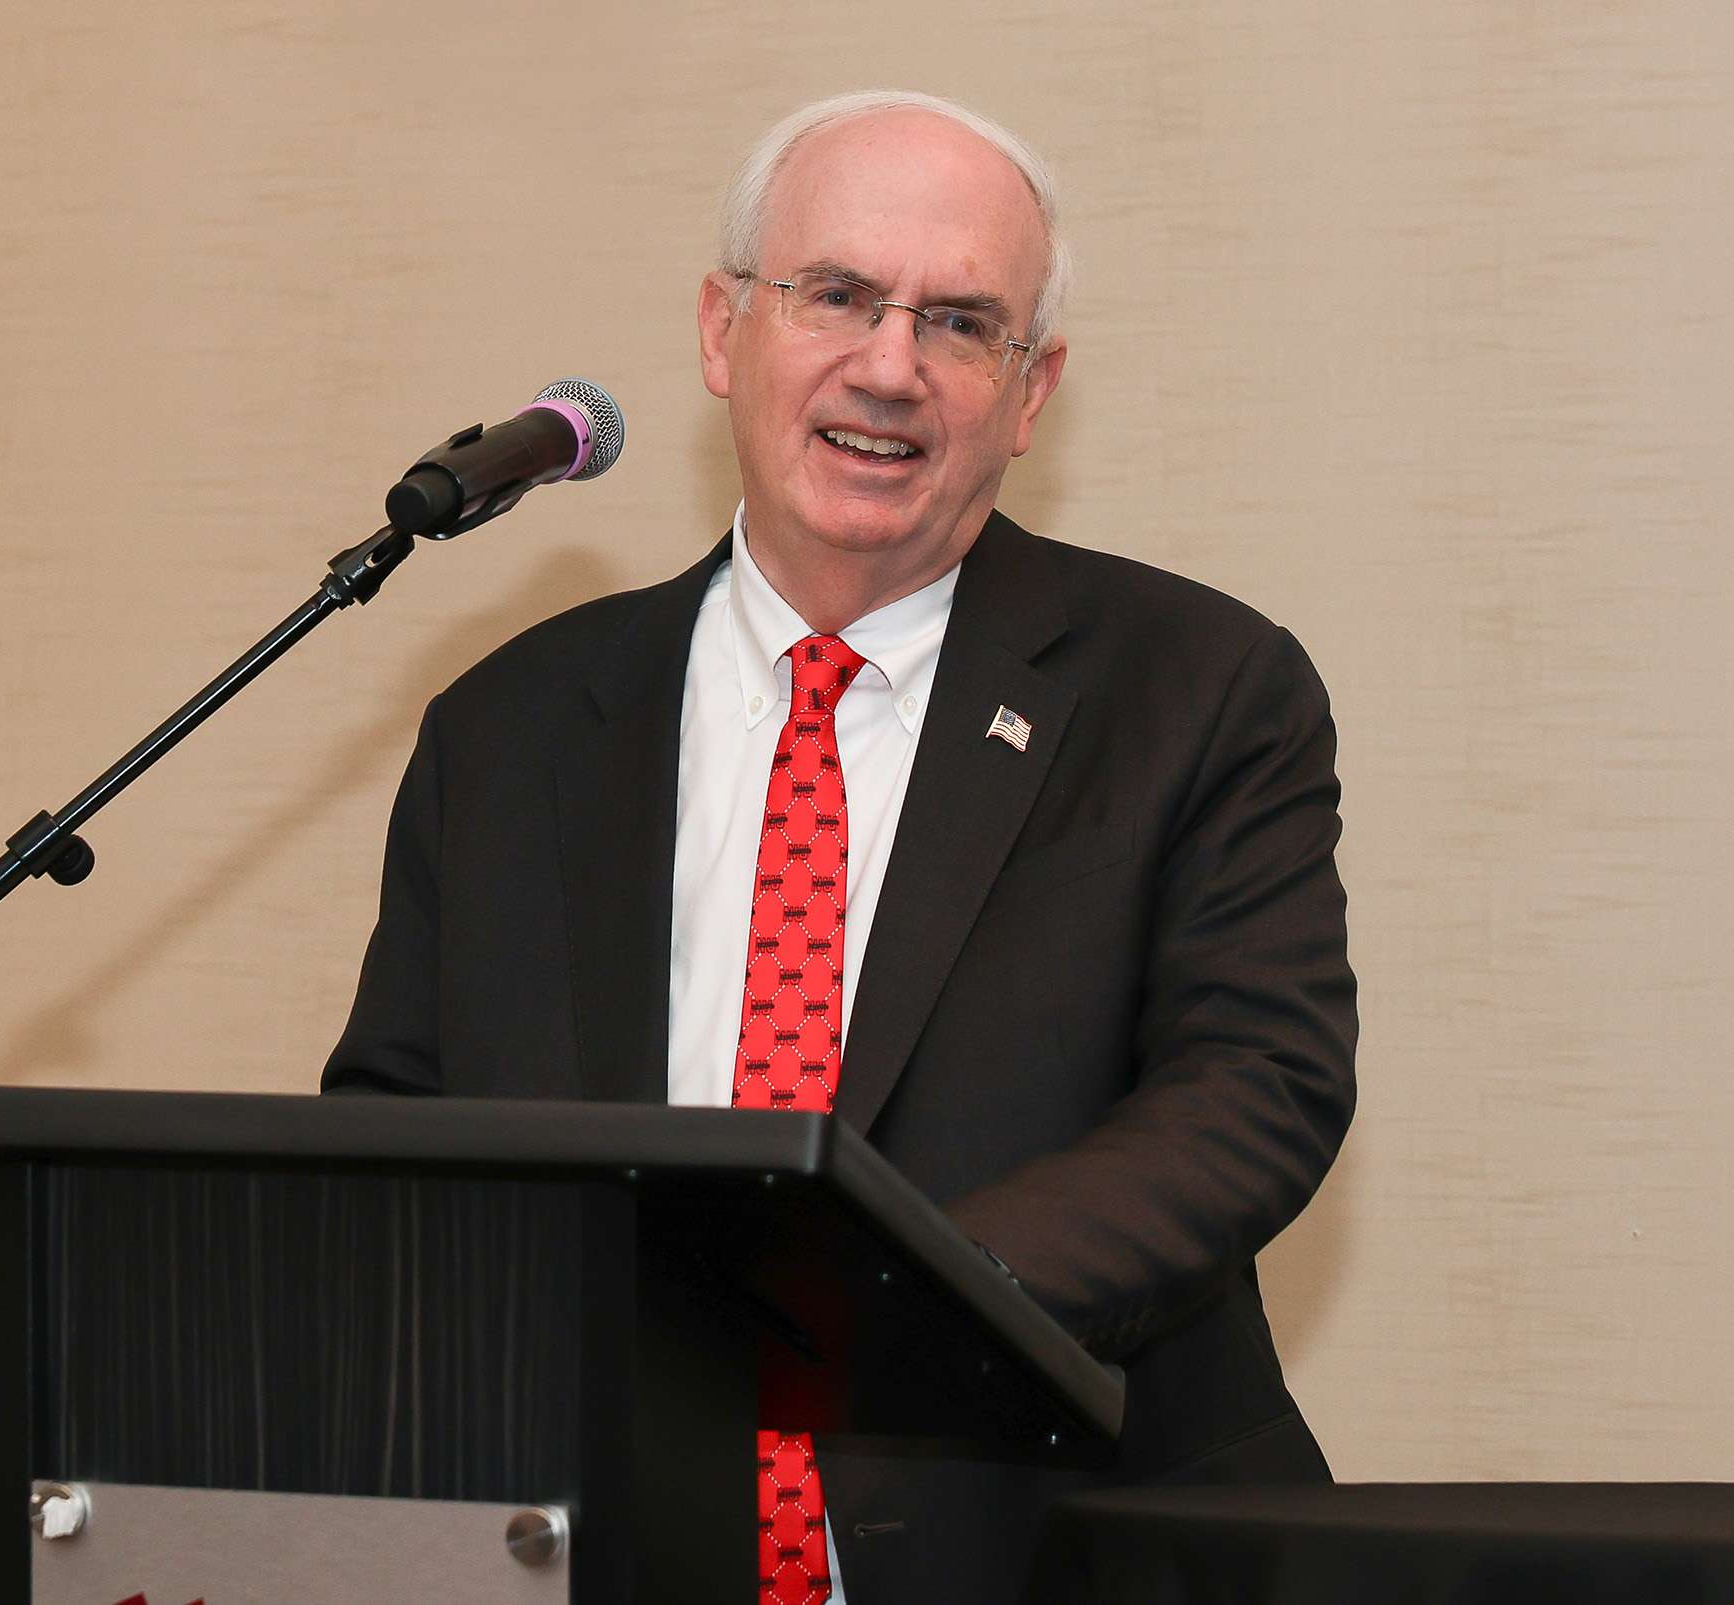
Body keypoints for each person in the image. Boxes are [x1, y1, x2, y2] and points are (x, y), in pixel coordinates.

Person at [323, 89, 1357, 1604]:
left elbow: (1257, 1085)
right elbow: (396, 1129)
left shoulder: (1198, 689)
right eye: (839, 295)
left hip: (1061, 1554)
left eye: (962, 324)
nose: (889, 365)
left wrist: (878, 1294)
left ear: (1032, 391)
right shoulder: (513, 724)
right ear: (722, 330)